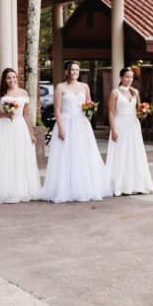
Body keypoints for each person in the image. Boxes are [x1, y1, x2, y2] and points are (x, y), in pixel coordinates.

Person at [40, 60, 106, 203]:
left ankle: (84, 187)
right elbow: (57, 109)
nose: (74, 72)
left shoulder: (84, 87)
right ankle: (66, 188)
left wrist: (90, 112)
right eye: (71, 70)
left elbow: (88, 104)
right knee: (67, 156)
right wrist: (60, 128)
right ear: (65, 71)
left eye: (77, 70)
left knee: (83, 155)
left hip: (82, 124)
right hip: (67, 123)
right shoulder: (60, 87)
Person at [0, 67, 42, 204]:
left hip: (19, 127)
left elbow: (26, 115)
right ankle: (1, 189)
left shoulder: (23, 93)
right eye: (9, 78)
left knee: (18, 157)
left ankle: (19, 189)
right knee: (2, 157)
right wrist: (6, 114)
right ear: (5, 80)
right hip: (2, 128)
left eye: (14, 77)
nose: (12, 80)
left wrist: (31, 133)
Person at [104, 67, 153, 196]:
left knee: (134, 152)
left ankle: (136, 184)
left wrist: (143, 112)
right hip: (120, 124)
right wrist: (113, 129)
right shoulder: (115, 93)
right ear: (121, 77)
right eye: (127, 77)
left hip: (133, 125)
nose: (129, 79)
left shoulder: (135, 92)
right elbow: (110, 112)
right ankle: (120, 185)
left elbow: (138, 109)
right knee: (121, 153)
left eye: (131, 77)